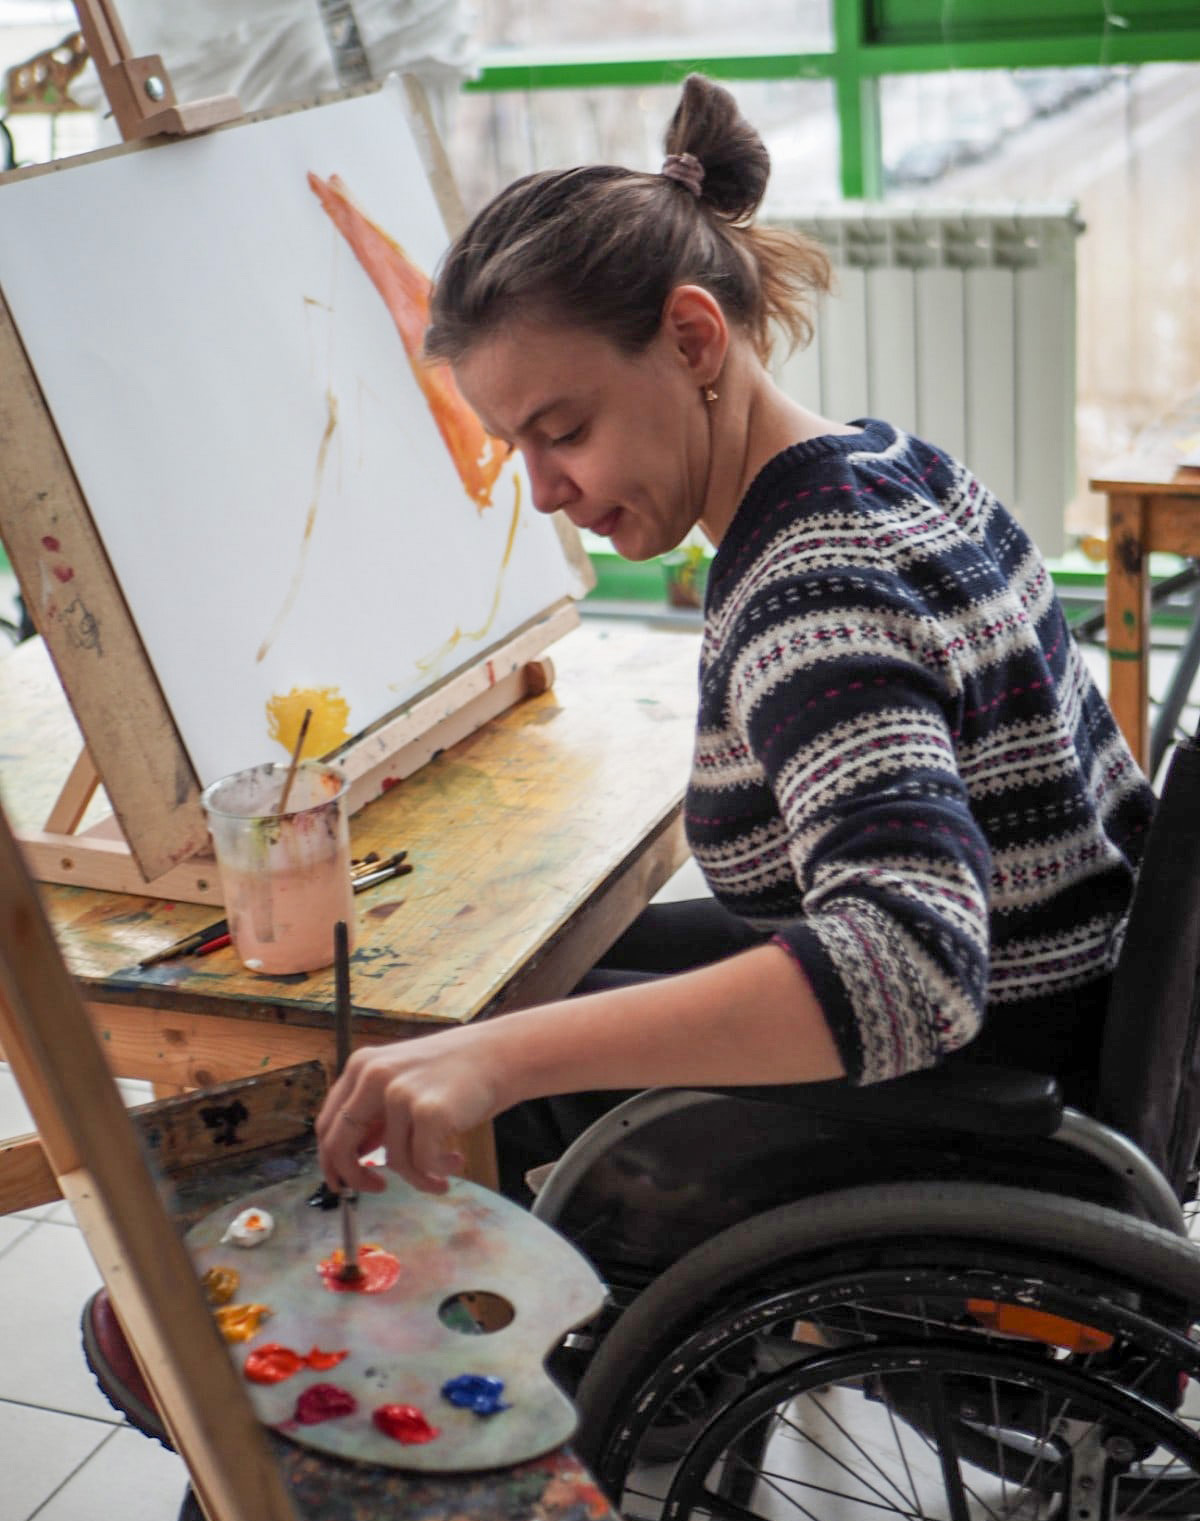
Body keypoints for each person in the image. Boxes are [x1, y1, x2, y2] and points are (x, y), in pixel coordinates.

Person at [317, 74, 1155, 1204]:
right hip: (1069, 1010)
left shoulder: (814, 593)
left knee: (499, 1062)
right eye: (517, 446)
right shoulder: (897, 468)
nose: (546, 490)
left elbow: (912, 965)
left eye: (565, 430)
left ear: (693, 338)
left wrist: (499, 1060)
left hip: (988, 1101)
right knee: (513, 999)